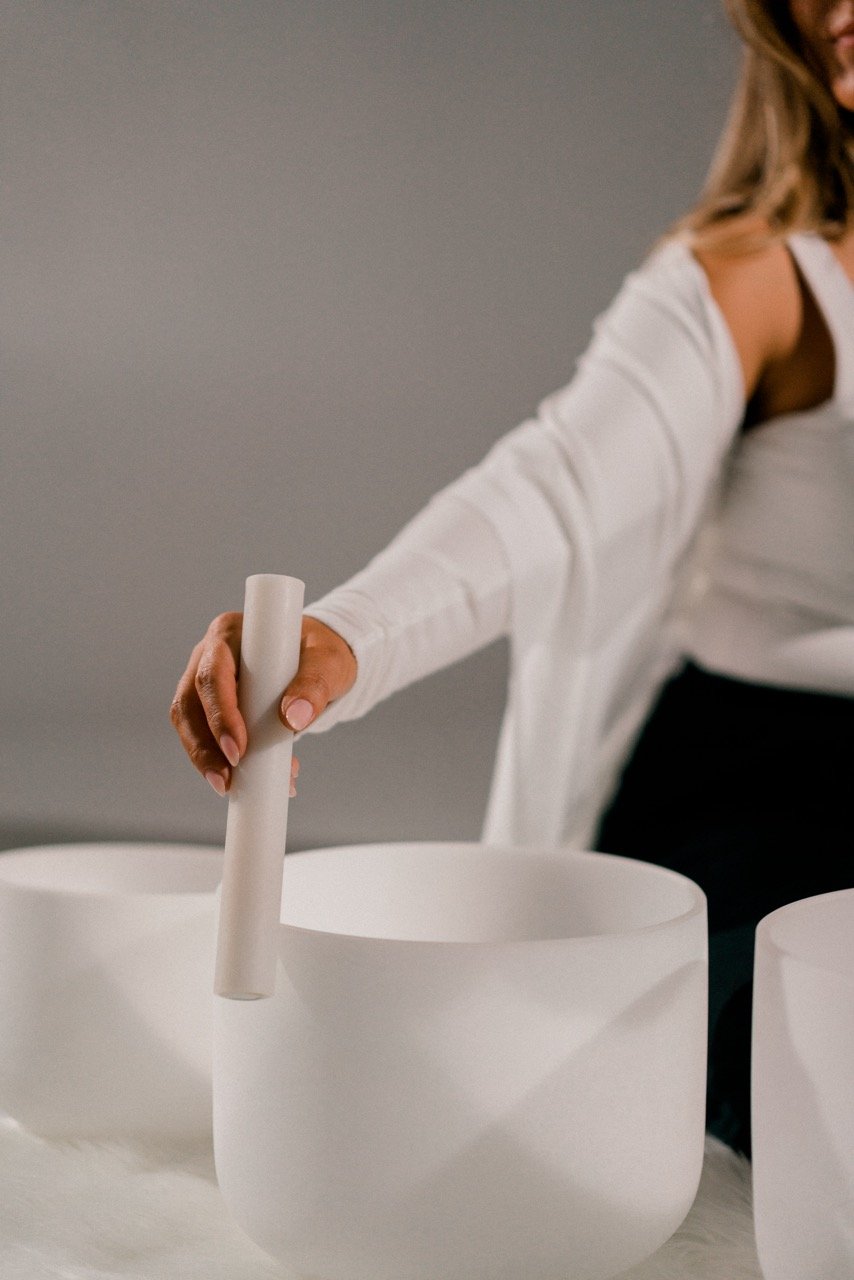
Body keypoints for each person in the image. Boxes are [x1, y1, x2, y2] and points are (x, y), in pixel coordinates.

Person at [171, 0, 854, 1158]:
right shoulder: (757, 279)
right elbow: (552, 487)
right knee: (810, 1074)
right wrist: (349, 635)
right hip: (766, 792)